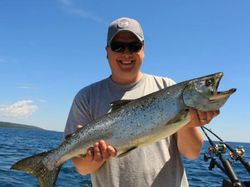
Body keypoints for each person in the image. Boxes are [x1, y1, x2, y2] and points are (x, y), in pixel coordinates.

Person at [64, 17, 219, 187]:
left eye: (134, 46)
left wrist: (186, 121)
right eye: (118, 46)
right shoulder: (86, 97)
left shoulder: (167, 86)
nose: (126, 53)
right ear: (107, 51)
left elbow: (192, 152)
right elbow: (82, 169)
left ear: (143, 49)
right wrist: (96, 159)